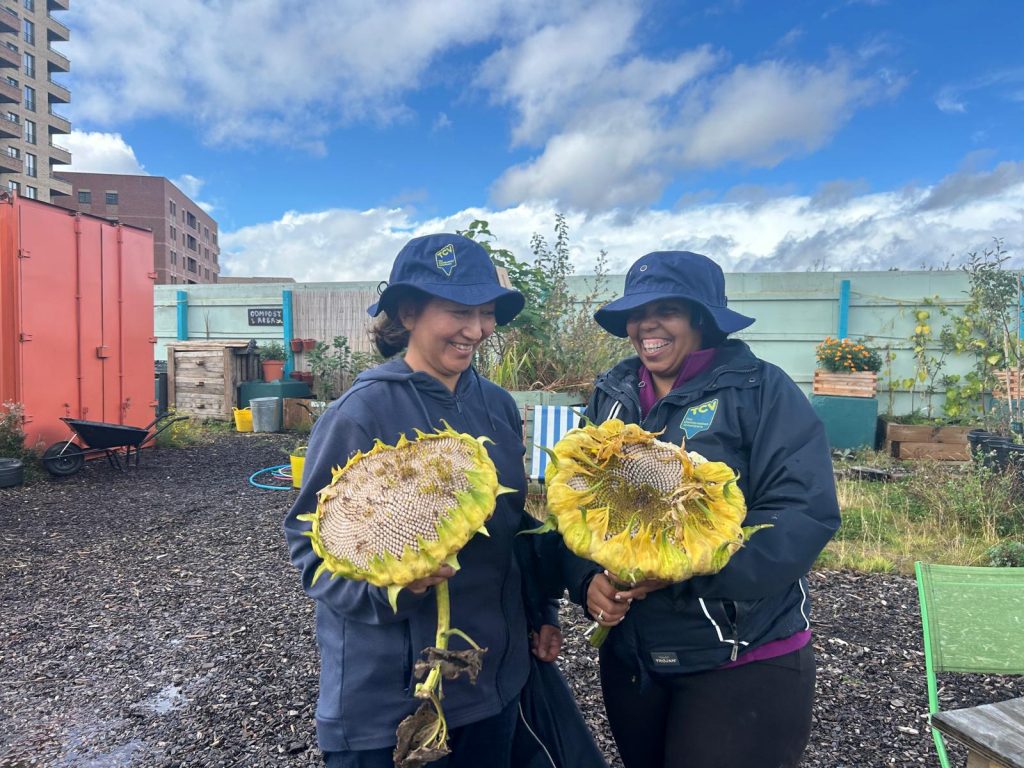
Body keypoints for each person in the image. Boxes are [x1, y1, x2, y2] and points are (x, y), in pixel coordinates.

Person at [283, 233, 601, 768]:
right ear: (408, 312)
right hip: (391, 699)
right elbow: (311, 552)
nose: (476, 330)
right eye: (458, 311)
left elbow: (510, 524)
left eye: (486, 312)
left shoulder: (496, 405)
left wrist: (540, 608)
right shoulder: (360, 413)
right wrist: (394, 588)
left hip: (490, 681)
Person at [577, 250, 841, 768]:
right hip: (634, 657)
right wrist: (587, 577)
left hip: (740, 657)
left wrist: (683, 570)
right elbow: (581, 508)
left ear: (703, 319)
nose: (647, 324)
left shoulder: (760, 391)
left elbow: (802, 513)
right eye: (636, 312)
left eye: (668, 309)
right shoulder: (612, 395)